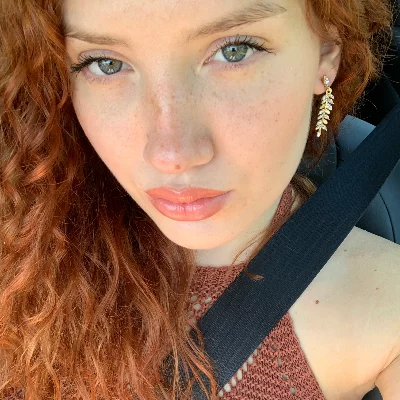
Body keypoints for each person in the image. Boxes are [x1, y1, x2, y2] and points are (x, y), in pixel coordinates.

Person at [0, 0, 399, 399]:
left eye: (234, 51)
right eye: (106, 64)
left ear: (326, 52)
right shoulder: (20, 232)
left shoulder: (384, 307)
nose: (172, 154)